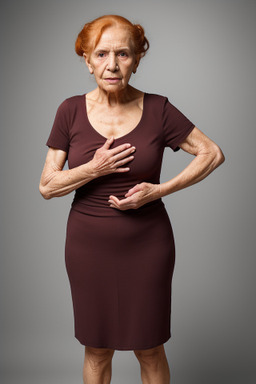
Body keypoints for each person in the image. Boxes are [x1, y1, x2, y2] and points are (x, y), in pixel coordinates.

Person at [39, 14, 224, 384]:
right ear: (87, 59)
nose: (112, 64)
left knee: (150, 347)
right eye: (101, 54)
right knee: (96, 348)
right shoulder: (70, 110)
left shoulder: (159, 109)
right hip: (88, 246)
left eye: (123, 54)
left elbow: (212, 153)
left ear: (137, 59)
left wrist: (159, 191)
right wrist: (94, 168)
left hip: (148, 244)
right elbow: (47, 185)